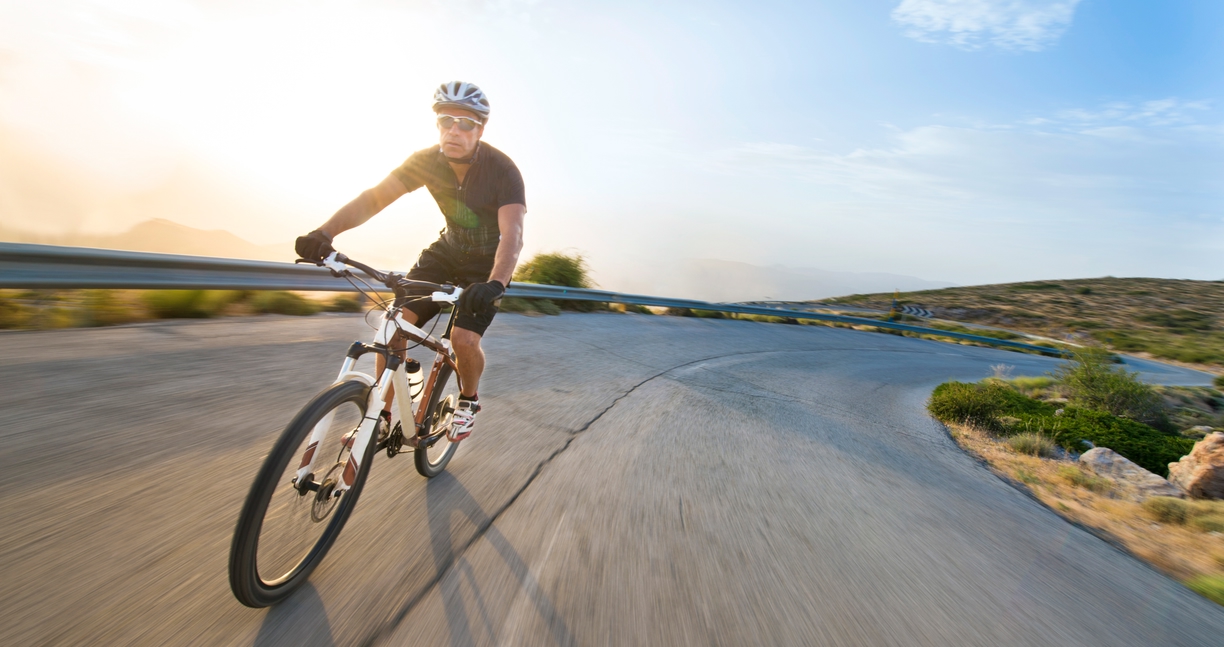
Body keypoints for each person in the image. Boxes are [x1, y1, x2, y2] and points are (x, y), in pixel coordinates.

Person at [295, 81, 526, 442]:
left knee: (463, 339)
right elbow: (373, 198)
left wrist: (495, 284)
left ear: (480, 129)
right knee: (393, 326)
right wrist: (325, 233)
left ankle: (468, 401)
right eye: (446, 120)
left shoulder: (502, 170)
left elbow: (512, 235)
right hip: (447, 251)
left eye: (466, 123)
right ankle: (381, 418)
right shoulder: (426, 162)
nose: (454, 130)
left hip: (487, 265)